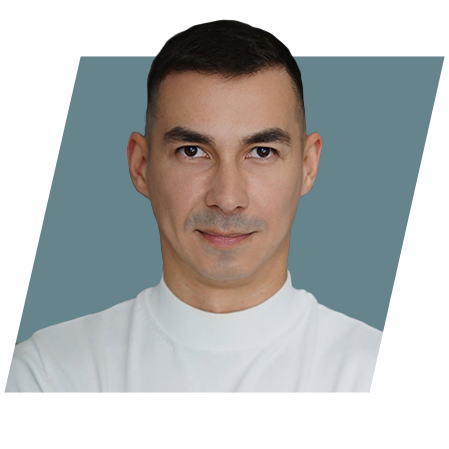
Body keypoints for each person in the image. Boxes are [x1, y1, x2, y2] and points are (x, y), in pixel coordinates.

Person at [4, 19, 443, 393]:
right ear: (141, 166)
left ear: (308, 166)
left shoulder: (389, 383)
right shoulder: (46, 377)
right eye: (193, 151)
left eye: (262, 152)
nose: (228, 198)